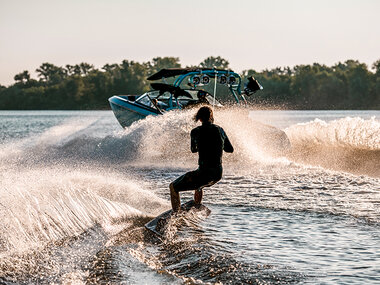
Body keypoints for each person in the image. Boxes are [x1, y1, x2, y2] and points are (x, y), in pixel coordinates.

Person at [169, 106, 234, 212]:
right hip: (217, 174)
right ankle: (196, 206)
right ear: (211, 117)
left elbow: (193, 150)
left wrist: (202, 144)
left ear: (199, 118)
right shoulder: (220, 130)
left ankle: (176, 215)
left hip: (204, 173)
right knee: (199, 184)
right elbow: (230, 149)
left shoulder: (195, 131)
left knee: (173, 187)